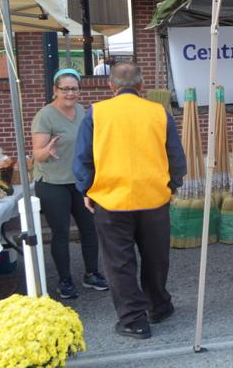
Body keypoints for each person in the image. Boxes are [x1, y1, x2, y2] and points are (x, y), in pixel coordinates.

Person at [73, 62, 186, 340]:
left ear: (110, 86)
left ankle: (134, 320)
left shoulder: (96, 113)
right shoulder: (158, 112)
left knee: (119, 262)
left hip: (111, 200)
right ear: (141, 85)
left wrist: (86, 190)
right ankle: (158, 306)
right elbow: (175, 156)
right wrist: (172, 185)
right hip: (153, 198)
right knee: (156, 257)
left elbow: (83, 158)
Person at [31, 68, 107, 299]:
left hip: (80, 181)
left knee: (90, 229)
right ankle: (65, 281)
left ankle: (91, 273)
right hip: (53, 183)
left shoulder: (83, 111)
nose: (70, 93)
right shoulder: (45, 116)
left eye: (74, 89)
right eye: (65, 89)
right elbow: (37, 154)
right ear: (55, 90)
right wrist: (48, 149)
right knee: (61, 232)